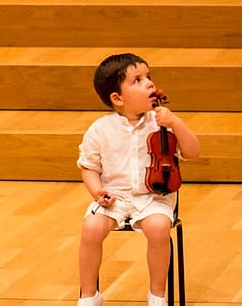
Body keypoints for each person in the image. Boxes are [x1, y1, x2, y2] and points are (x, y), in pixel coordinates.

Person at [76, 53, 201, 306]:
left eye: (149, 77)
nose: (149, 84)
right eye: (137, 80)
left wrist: (175, 122)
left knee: (158, 228)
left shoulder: (161, 125)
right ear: (117, 98)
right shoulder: (100, 129)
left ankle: (157, 295)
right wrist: (98, 191)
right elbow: (88, 167)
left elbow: (193, 152)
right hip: (115, 198)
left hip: (154, 197)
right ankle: (89, 295)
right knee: (91, 228)